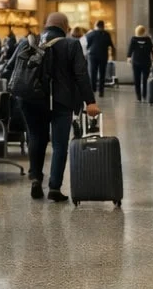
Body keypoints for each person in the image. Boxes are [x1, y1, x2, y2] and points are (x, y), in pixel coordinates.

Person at [14, 13, 100, 202]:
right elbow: (81, 75)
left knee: (36, 137)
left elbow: (10, 68)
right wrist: (90, 102)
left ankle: (36, 178)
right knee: (60, 144)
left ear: (46, 24)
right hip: (62, 101)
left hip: (31, 99)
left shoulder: (28, 42)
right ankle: (54, 187)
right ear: (65, 26)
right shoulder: (71, 44)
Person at [84, 20, 114, 98]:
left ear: (95, 25)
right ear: (103, 26)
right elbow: (111, 45)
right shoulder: (106, 34)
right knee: (102, 74)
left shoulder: (91, 34)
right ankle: (101, 91)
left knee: (92, 73)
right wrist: (112, 55)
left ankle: (93, 90)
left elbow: (86, 45)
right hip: (103, 55)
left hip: (92, 55)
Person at [127, 26, 153, 102]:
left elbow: (130, 49)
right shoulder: (148, 39)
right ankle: (144, 95)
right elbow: (151, 50)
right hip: (146, 61)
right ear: (144, 31)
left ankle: (138, 96)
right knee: (145, 79)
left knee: (137, 79)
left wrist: (128, 58)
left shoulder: (133, 39)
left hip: (136, 61)